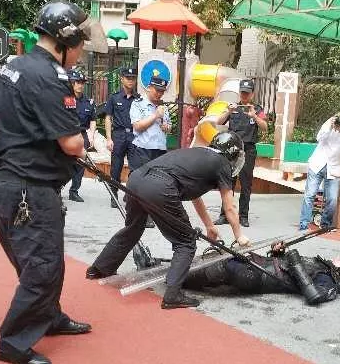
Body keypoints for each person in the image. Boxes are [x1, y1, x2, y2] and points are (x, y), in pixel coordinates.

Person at [0, 0, 105, 364]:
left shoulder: (15, 66)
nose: (81, 52)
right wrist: (87, 141)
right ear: (64, 40)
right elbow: (71, 143)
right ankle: (13, 342)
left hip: (11, 184)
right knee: (42, 267)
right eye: (80, 44)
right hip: (30, 189)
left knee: (44, 262)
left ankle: (49, 316)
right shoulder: (51, 77)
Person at [85, 131, 251, 309]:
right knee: (186, 241)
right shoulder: (222, 163)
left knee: (132, 229)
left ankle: (99, 269)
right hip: (160, 186)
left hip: (136, 179)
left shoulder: (199, 153)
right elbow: (229, 207)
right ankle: (173, 295)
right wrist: (239, 236)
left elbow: (195, 196)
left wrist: (209, 226)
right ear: (232, 153)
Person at [183, 242, 340, 306]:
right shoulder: (322, 265)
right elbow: (287, 265)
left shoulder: (329, 282)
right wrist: (279, 252)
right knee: (223, 255)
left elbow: (314, 296)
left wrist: (295, 263)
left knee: (225, 267)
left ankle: (179, 279)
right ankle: (181, 271)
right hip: (263, 265)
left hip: (261, 277)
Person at [213, 78, 268, 227]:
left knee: (246, 184)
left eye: (247, 93)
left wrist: (254, 116)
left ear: (252, 94)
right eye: (242, 92)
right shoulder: (233, 107)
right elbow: (218, 122)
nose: (244, 95)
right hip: (232, 150)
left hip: (248, 150)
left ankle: (243, 216)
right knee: (228, 183)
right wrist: (228, 112)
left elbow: (265, 127)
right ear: (239, 92)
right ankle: (224, 215)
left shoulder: (257, 109)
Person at [298, 106, 340, 231]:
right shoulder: (332, 121)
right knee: (309, 195)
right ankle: (304, 224)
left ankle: (325, 225)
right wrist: (330, 127)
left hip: (334, 168)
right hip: (317, 163)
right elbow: (319, 138)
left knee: (332, 199)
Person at [128, 75, 171, 227]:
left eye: (162, 91)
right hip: (143, 149)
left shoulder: (163, 107)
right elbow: (137, 126)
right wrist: (155, 115)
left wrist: (166, 126)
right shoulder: (138, 104)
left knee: (157, 184)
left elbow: (168, 126)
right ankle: (141, 214)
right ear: (149, 88)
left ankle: (153, 213)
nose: (159, 94)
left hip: (159, 150)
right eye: (157, 90)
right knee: (142, 184)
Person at [105, 66, 141, 208]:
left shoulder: (139, 99)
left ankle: (129, 194)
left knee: (135, 167)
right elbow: (108, 118)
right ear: (122, 79)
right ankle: (114, 194)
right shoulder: (114, 97)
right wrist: (109, 138)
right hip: (119, 135)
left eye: (133, 78)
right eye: (128, 78)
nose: (130, 81)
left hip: (134, 135)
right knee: (116, 167)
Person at [67, 68, 96, 203]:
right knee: (63, 163)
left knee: (80, 165)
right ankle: (57, 189)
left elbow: (93, 120)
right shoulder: (66, 99)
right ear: (72, 83)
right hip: (67, 134)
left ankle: (74, 191)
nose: (80, 85)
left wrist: (91, 136)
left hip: (82, 134)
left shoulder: (88, 102)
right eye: (77, 82)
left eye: (82, 83)